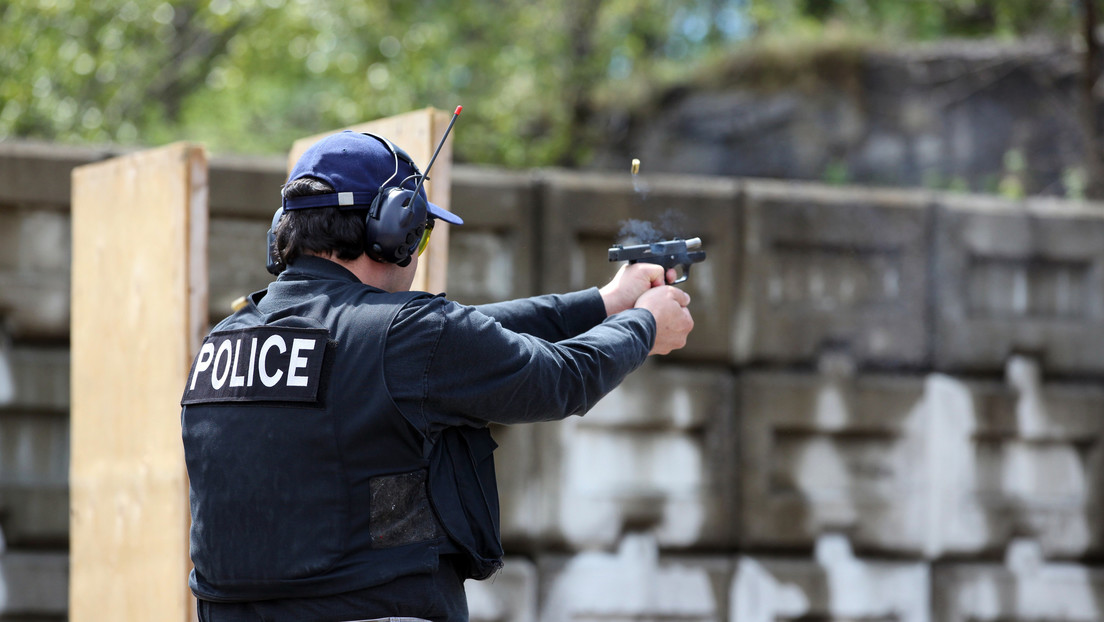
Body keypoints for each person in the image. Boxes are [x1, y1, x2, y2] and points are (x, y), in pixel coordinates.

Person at [180, 130, 694, 622]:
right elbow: (560, 380)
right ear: (393, 230)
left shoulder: (223, 341)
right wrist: (645, 325)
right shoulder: (409, 336)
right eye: (420, 234)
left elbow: (451, 337)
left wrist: (606, 302)